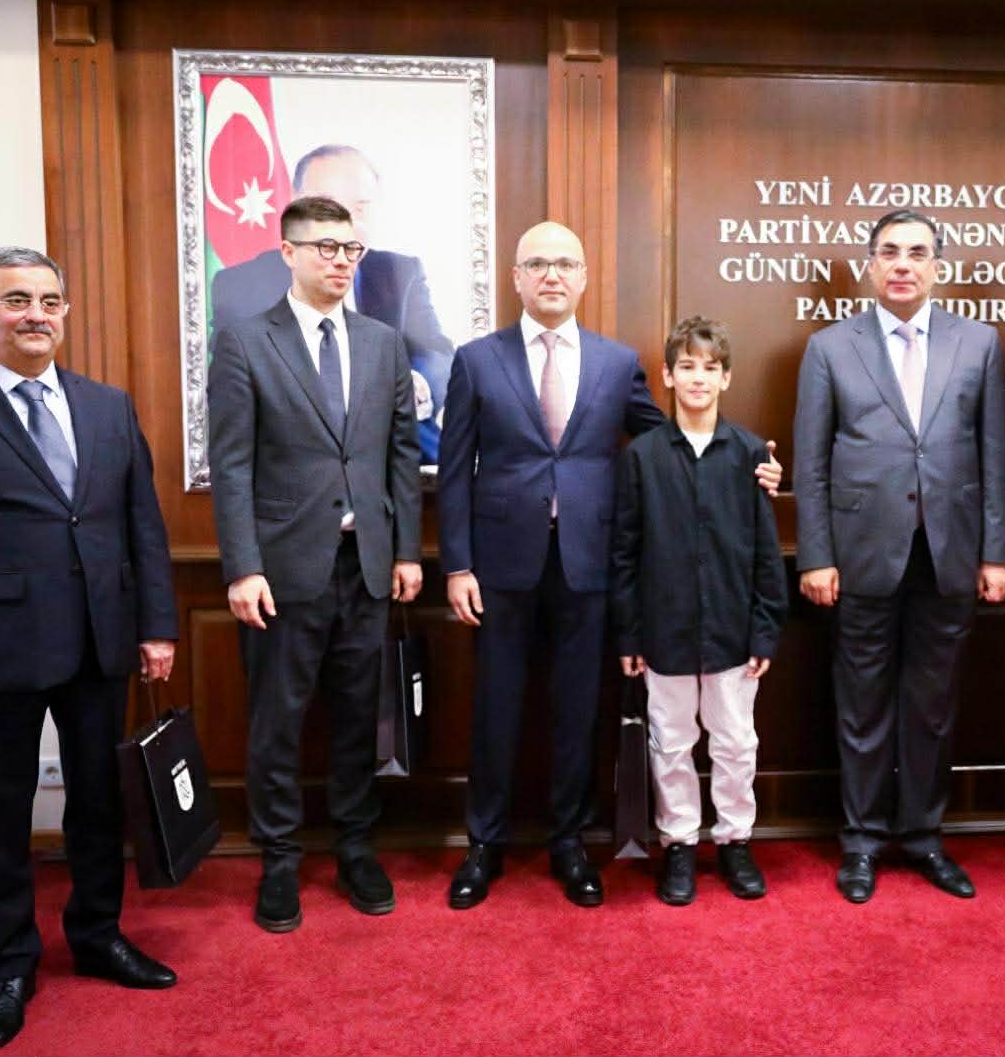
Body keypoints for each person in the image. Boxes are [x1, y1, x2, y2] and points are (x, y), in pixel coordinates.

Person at [0, 247, 179, 1050]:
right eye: (16, 300)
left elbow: (143, 527)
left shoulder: (108, 406)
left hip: (100, 642)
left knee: (98, 803)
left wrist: (156, 626)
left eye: (49, 300)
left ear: (65, 312)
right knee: (2, 818)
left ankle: (97, 935)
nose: (36, 314)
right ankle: (11, 964)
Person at [438, 222, 781, 909]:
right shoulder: (476, 360)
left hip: (589, 561)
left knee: (576, 711)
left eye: (566, 263)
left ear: (584, 277)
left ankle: (569, 843)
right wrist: (457, 565)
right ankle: (485, 844)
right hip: (500, 566)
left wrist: (749, 461)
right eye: (538, 263)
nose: (552, 275)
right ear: (516, 277)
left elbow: (672, 439)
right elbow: (453, 470)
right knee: (496, 707)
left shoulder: (615, 362)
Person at [207, 195, 422, 933]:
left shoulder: (384, 343)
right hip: (281, 571)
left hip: (366, 566)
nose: (340, 261)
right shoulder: (245, 342)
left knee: (360, 718)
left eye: (350, 248)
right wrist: (242, 567)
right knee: (278, 722)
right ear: (289, 252)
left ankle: (356, 848)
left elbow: (400, 456)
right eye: (325, 247)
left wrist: (406, 551)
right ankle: (279, 859)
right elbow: (231, 465)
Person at [793, 209, 1005, 904]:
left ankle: (922, 837)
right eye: (889, 252)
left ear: (937, 266)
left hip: (950, 555)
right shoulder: (830, 348)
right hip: (860, 555)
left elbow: (994, 455)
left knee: (932, 707)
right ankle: (861, 841)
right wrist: (815, 555)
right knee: (861, 706)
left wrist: (996, 551)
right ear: (870, 265)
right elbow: (811, 462)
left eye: (917, 253)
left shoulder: (978, 342)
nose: (903, 265)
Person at [611, 316, 788, 906]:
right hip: (664, 630)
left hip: (734, 631)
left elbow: (766, 552)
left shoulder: (749, 453)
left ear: (726, 378)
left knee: (736, 742)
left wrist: (765, 631)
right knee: (671, 742)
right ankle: (680, 843)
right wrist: (629, 634)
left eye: (710, 368)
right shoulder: (642, 457)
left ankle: (735, 840)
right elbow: (625, 552)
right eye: (686, 366)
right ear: (667, 376)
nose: (697, 378)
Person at [211, 143, 454, 462]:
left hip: (391, 461)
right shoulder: (243, 286)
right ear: (294, 206)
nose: (344, 225)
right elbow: (231, 400)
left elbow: (437, 353)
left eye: (360, 208)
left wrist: (414, 384)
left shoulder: (400, 274)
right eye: (328, 207)